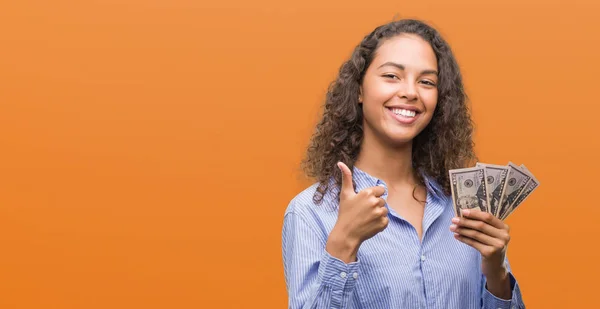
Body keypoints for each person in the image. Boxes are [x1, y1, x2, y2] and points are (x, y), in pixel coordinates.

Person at [281, 18, 525, 309]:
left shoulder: (462, 206)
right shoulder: (311, 213)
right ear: (358, 90)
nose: (411, 92)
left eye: (426, 82)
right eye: (392, 76)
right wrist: (343, 244)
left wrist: (496, 270)